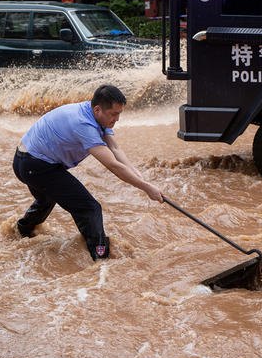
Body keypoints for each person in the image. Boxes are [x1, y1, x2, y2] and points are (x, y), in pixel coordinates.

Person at [13, 84, 163, 260]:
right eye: (114, 114)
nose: (117, 119)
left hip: (28, 161)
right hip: (34, 164)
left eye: (119, 114)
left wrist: (136, 172)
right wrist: (146, 188)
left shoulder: (94, 112)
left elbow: (114, 147)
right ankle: (101, 259)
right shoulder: (83, 124)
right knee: (89, 208)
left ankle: (21, 231)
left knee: (47, 197)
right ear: (98, 109)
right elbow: (113, 165)